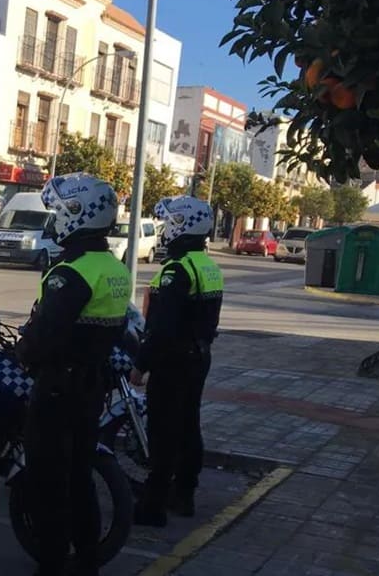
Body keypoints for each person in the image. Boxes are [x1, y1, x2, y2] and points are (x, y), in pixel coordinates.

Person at [15, 172, 131, 576]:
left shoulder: (73, 272)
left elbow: (45, 335)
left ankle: (51, 563)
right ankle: (87, 560)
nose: (53, 220)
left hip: (57, 389)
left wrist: (22, 352)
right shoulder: (113, 268)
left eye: (58, 212)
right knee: (80, 478)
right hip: (90, 385)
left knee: (48, 481)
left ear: (76, 213)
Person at [130, 196, 223, 527]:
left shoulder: (177, 269)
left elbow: (160, 328)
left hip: (173, 361)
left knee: (163, 433)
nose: (164, 229)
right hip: (199, 356)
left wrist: (140, 365)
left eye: (169, 222)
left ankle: (152, 506)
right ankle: (184, 494)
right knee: (188, 426)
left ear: (182, 226)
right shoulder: (207, 266)